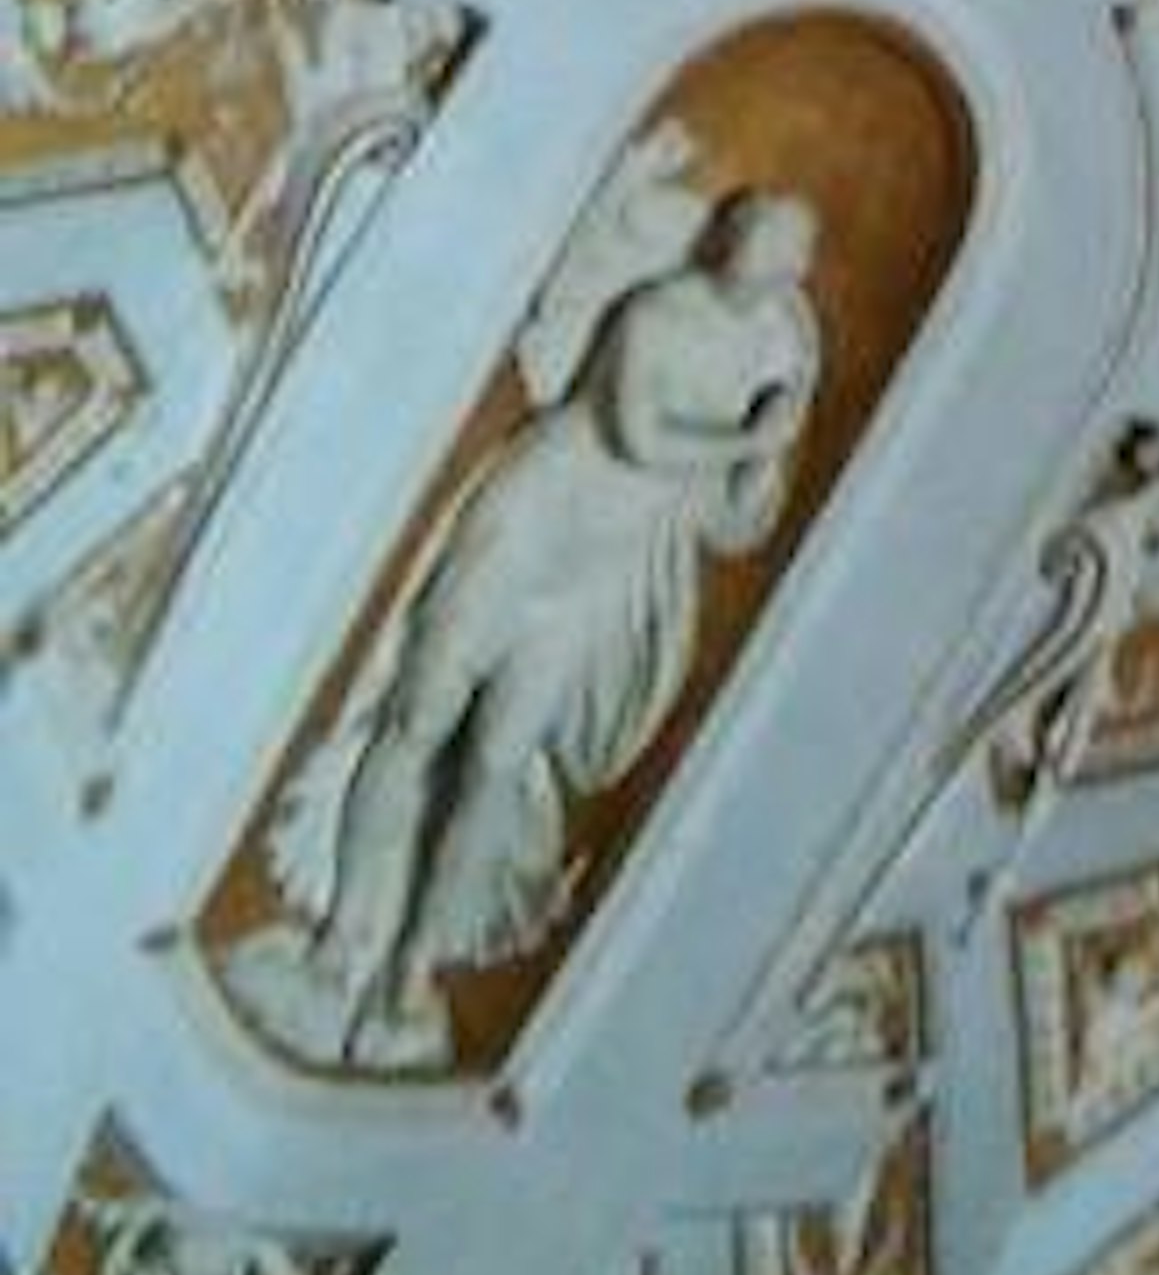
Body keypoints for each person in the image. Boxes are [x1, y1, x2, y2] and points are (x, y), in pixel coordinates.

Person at [254, 144, 826, 1069]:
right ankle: (342, 943)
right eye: (749, 228)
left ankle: (414, 970)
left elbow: (731, 520)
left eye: (777, 244)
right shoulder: (658, 311)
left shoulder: (777, 353)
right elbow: (632, 431)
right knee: (419, 714)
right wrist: (749, 433)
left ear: (789, 268)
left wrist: (769, 446)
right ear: (726, 235)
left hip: (595, 580)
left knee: (497, 760)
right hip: (532, 522)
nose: (754, 249)